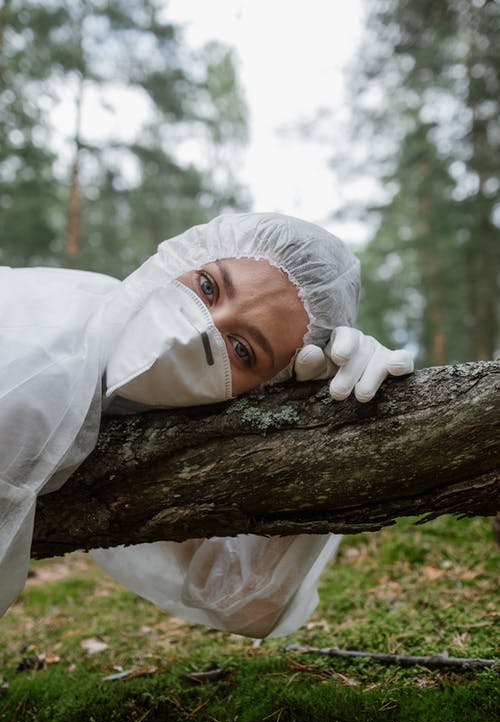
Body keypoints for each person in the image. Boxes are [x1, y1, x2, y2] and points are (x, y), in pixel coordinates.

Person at [0, 212, 413, 636]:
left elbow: (243, 600)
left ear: (258, 389)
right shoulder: (40, 358)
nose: (200, 327)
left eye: (241, 349)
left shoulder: (135, 416)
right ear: (186, 254)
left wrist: (334, 417)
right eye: (208, 286)